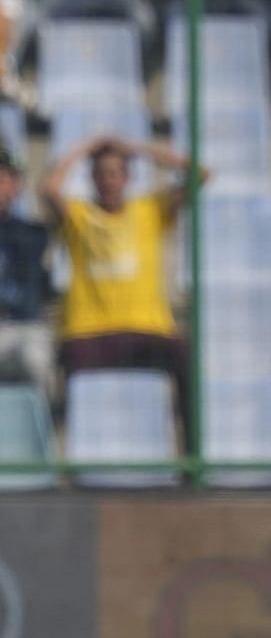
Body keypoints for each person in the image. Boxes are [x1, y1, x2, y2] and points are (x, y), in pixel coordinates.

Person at [37, 135, 202, 425]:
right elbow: (48, 188)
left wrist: (138, 149)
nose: (108, 181)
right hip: (88, 331)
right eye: (101, 174)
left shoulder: (150, 210)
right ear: (93, 179)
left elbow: (198, 174)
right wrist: (85, 147)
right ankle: (73, 462)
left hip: (146, 329)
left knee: (185, 358)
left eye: (114, 173)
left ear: (127, 178)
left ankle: (188, 465)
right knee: (65, 375)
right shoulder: (79, 215)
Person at [0, 147, 54, 399]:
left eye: (2, 178)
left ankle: (41, 433)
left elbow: (53, 194)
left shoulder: (33, 234)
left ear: (16, 187)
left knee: (36, 359)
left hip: (23, 327)